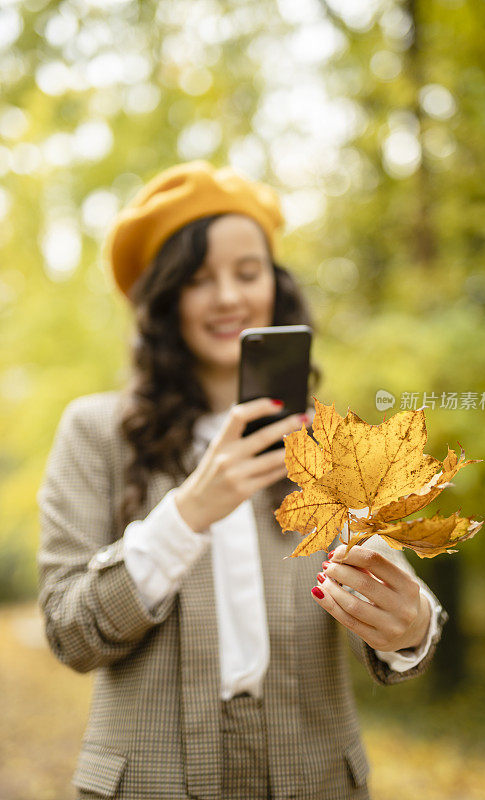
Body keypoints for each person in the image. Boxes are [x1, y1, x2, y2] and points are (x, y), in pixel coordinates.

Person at [36, 160, 449, 800]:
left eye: (247, 273)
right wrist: (188, 512)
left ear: (273, 288)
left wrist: (411, 625)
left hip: (315, 778)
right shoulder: (95, 432)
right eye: (200, 279)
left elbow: (405, 610)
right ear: (164, 300)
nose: (229, 296)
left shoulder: (327, 438)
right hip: (149, 781)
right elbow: (70, 632)